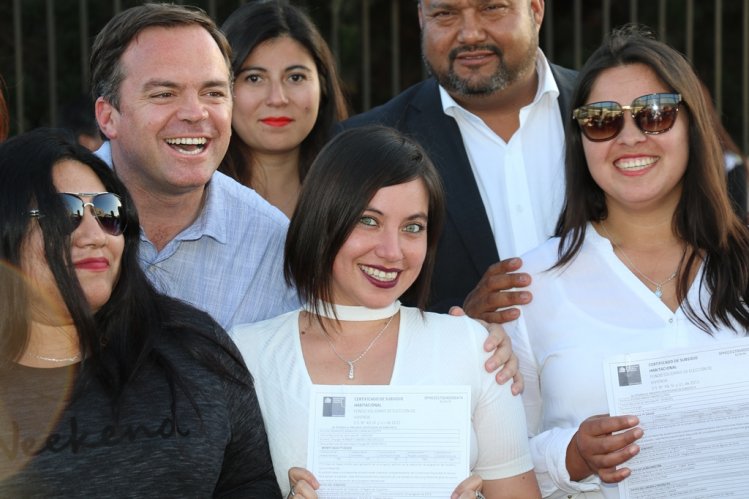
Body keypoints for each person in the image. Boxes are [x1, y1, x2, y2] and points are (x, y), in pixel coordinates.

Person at [231, 126, 541, 499]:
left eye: (413, 227)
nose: (392, 251)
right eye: (368, 220)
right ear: (323, 216)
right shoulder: (246, 353)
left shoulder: (474, 347)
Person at [506, 25, 749, 498]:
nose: (630, 137)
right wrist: (569, 456)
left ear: (692, 127)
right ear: (581, 140)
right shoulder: (529, 283)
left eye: (654, 115)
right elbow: (497, 458)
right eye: (601, 120)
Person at [0, 128, 281, 497]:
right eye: (63, 212)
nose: (95, 234)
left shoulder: (196, 349)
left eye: (106, 212)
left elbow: (250, 484)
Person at [341, 0, 578, 321]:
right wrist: (456, 324)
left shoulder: (609, 113)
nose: (469, 34)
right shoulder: (361, 145)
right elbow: (345, 306)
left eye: (492, 8)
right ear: (422, 18)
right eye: (445, 14)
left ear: (535, 9)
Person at [91, 3, 298, 329]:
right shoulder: (39, 214)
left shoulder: (270, 243)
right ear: (108, 117)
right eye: (164, 94)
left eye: (213, 93)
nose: (195, 113)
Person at [219, 2, 349, 218]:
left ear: (323, 85)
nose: (277, 99)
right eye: (254, 78)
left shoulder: (361, 194)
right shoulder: (193, 199)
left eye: (295, 77)